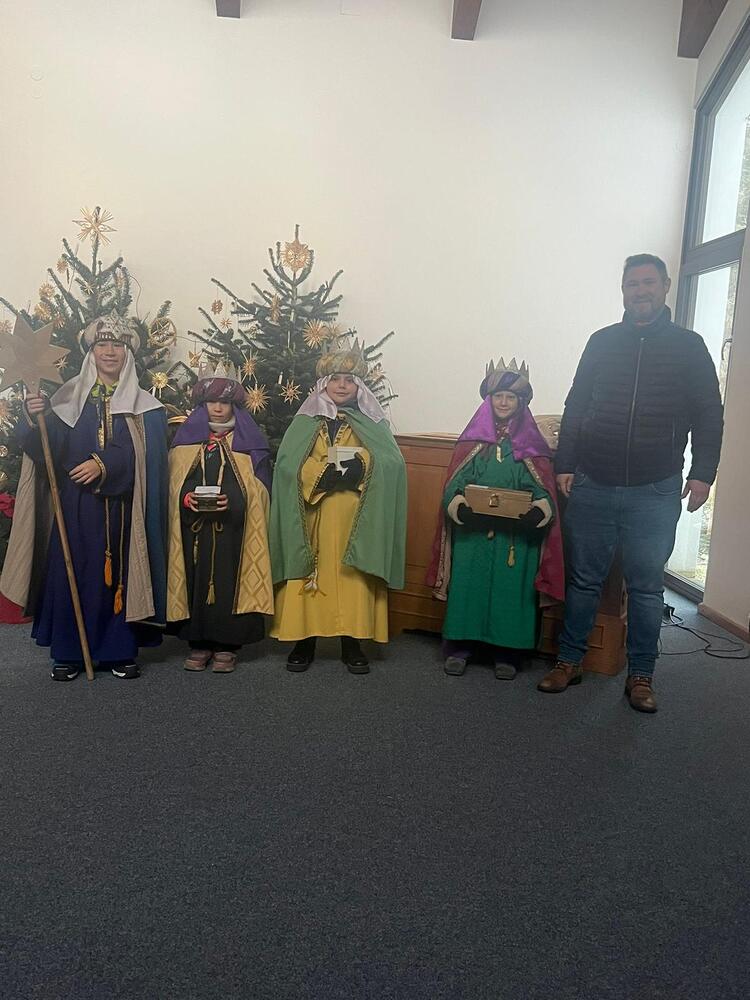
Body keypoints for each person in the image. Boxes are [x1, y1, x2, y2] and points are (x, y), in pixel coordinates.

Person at [538, 254, 724, 712]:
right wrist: (566, 463)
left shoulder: (689, 347)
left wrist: (703, 473)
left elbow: (709, 414)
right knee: (584, 580)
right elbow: (576, 404)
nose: (639, 291)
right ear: (623, 291)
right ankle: (569, 661)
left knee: (645, 587)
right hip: (593, 482)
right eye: (631, 284)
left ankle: (641, 674)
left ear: (665, 286)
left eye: (647, 283)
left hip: (654, 489)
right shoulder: (602, 342)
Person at [1, 312, 168, 680]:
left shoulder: (145, 407)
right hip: (75, 507)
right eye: (102, 345)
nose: (109, 352)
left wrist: (102, 464)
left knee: (120, 577)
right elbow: (45, 452)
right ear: (91, 352)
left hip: (123, 509)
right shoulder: (67, 399)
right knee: (71, 574)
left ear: (128, 353)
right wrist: (34, 418)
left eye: (117, 345)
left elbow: (147, 458)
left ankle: (118, 650)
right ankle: (69, 653)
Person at [269, 340, 407, 673]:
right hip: (311, 514)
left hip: (355, 517)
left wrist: (362, 466)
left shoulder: (373, 423)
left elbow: (391, 463)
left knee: (352, 579)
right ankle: (303, 641)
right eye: (335, 379)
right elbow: (287, 465)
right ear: (323, 383)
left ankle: (353, 642)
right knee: (307, 576)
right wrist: (318, 474)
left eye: (349, 380)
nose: (342, 386)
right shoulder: (305, 421)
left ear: (359, 386)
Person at [427, 358, 564, 678]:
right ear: (488, 400)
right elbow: (454, 485)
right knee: (468, 588)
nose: (503, 402)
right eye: (498, 396)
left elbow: (544, 491)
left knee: (510, 593)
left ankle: (508, 652)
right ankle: (460, 647)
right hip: (473, 535)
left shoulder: (533, 448)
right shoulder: (472, 444)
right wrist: (459, 506)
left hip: (515, 539)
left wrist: (537, 511)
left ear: (521, 402)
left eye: (510, 397)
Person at [167, 362, 273, 672]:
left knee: (229, 583)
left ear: (233, 405)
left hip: (234, 532)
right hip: (195, 531)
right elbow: (173, 486)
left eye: (224, 402)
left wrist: (235, 501)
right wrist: (186, 498)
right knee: (196, 582)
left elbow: (261, 491)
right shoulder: (185, 445)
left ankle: (228, 644)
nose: (217, 408)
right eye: (211, 401)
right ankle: (197, 642)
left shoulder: (248, 445)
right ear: (202, 404)